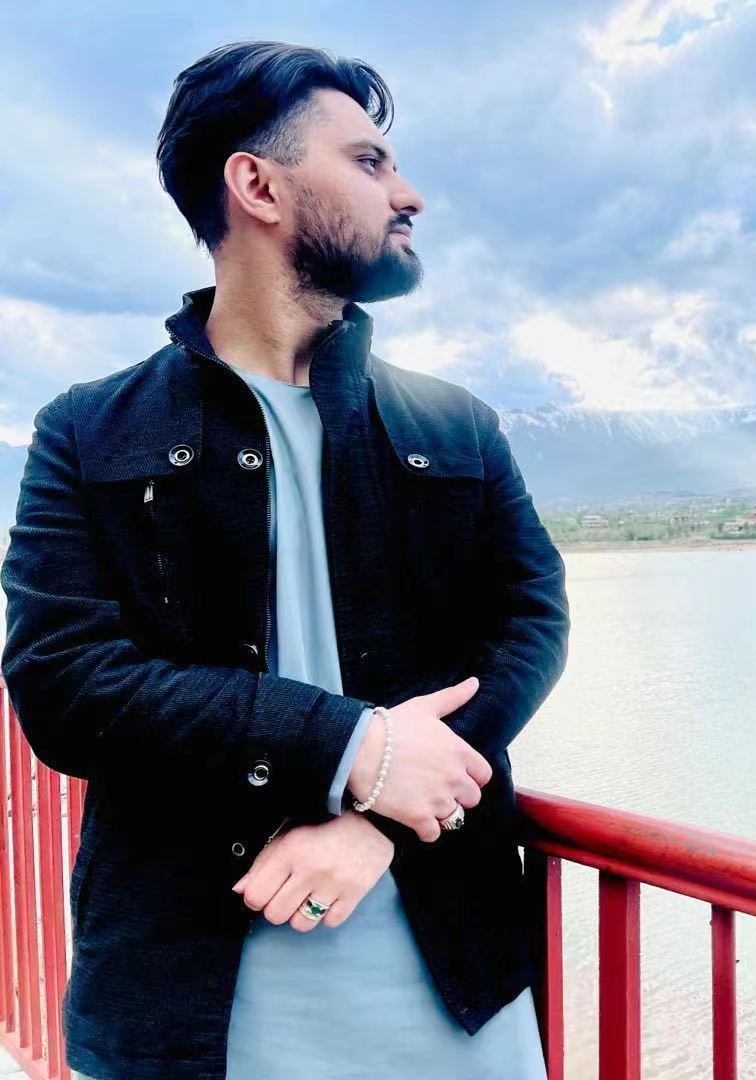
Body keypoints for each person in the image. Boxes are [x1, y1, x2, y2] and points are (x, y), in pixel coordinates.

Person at [0, 39, 569, 1079]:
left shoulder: (456, 423)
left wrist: (384, 814)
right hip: (187, 1010)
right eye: (369, 162)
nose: (409, 194)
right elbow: (62, 683)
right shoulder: (86, 430)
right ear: (256, 185)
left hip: (459, 989)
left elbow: (531, 624)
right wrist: (352, 749)